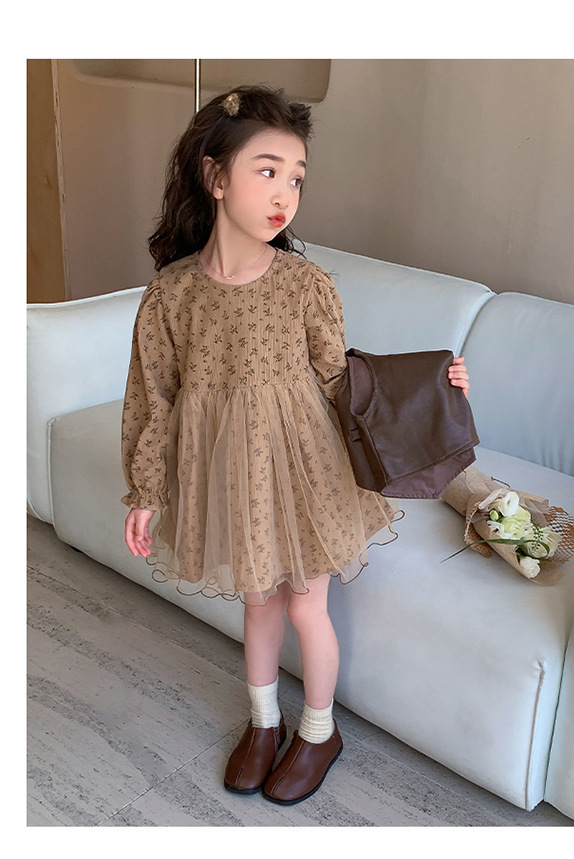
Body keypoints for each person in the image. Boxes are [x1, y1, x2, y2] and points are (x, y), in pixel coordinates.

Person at [121, 85, 470, 806]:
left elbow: (343, 380)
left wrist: (435, 381)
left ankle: (318, 730)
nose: (286, 193)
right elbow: (154, 398)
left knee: (306, 606)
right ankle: (263, 723)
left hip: (307, 470)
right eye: (267, 170)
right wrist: (146, 491)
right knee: (258, 605)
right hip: (233, 476)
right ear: (215, 176)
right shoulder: (171, 296)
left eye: (298, 177)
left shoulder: (306, 284)